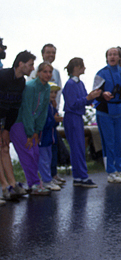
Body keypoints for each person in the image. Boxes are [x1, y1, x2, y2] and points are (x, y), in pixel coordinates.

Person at [10, 62, 54, 195]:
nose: (47, 75)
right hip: (19, 122)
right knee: (28, 153)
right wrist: (30, 133)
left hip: (32, 125)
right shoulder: (30, 87)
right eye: (45, 72)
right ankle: (34, 184)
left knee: (35, 153)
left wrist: (37, 130)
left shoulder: (47, 88)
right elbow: (27, 111)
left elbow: (43, 112)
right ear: (39, 73)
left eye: (49, 72)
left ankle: (33, 183)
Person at [93, 47, 121, 183]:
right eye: (110, 54)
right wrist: (102, 93)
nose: (112, 57)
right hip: (104, 112)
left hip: (118, 111)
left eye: (115, 54)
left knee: (118, 142)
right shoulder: (101, 73)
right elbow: (94, 92)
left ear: (119, 58)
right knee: (109, 142)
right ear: (107, 57)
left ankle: (120, 169)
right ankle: (111, 172)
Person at [0, 50, 36, 201]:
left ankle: (12, 183)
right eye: (30, 64)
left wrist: (6, 129)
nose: (32, 68)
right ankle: (4, 185)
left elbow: (14, 108)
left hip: (4, 117)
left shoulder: (21, 82)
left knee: (5, 147)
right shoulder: (3, 76)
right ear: (20, 64)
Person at [62, 57, 101, 187]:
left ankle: (79, 176)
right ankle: (81, 176)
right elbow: (72, 104)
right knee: (77, 147)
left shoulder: (79, 83)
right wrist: (88, 98)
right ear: (76, 68)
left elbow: (85, 100)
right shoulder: (70, 84)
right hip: (72, 117)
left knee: (78, 147)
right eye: (82, 66)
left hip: (77, 117)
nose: (84, 68)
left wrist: (92, 97)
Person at [38, 82, 63, 191]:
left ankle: (49, 178)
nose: (53, 94)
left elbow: (54, 122)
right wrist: (54, 119)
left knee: (49, 158)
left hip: (50, 138)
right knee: (44, 160)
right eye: (51, 92)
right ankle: (46, 180)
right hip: (43, 138)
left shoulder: (51, 106)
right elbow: (43, 123)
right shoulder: (43, 106)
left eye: (55, 92)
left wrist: (56, 119)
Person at [30, 44, 62, 108]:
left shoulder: (56, 72)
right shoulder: (35, 71)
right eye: (48, 52)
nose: (51, 55)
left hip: (51, 107)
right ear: (42, 54)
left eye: (53, 53)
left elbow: (59, 92)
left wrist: (56, 108)